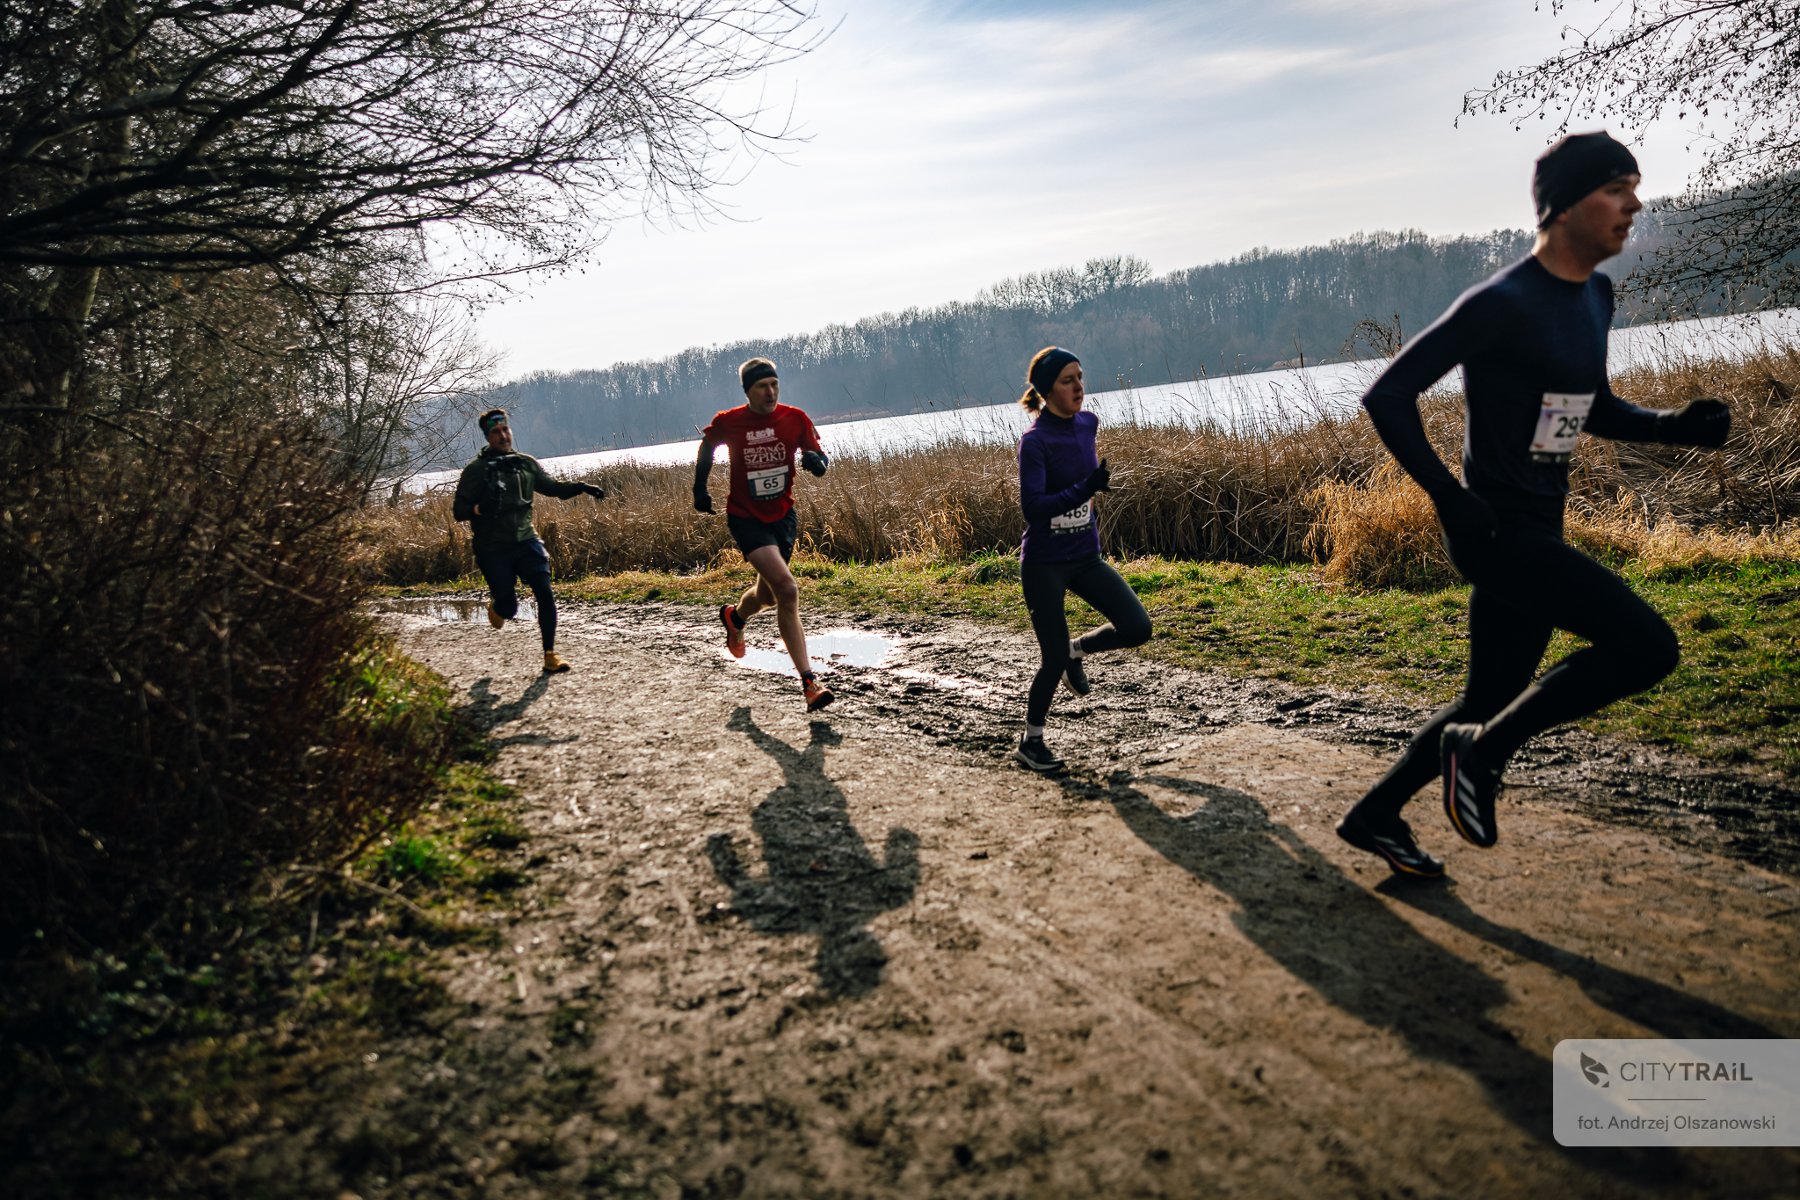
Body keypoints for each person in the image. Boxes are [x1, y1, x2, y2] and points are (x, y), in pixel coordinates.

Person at [1335, 132, 1732, 878]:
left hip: (1537, 524)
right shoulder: (1502, 302)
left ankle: (1376, 813)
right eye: (1617, 189)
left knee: (1490, 693)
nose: (1634, 205)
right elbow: (1387, 394)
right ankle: (1481, 755)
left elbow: (1591, 407)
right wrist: (1449, 499)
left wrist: (1674, 427)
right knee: (1648, 648)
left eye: (1634, 188)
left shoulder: (1595, 296)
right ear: (1565, 206)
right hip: (1493, 529)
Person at [1013, 346, 1153, 772]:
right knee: (1050, 659)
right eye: (1067, 380)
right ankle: (1031, 742)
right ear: (1045, 390)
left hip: (1085, 557)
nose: (1078, 387)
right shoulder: (1034, 443)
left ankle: (1078, 649)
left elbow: (1082, 486)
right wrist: (1086, 488)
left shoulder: (1088, 425)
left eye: (1080, 377)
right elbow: (1034, 508)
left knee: (1137, 627)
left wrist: (1090, 492)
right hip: (1044, 565)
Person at [694, 357, 834, 711]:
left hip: (783, 517)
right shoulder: (731, 421)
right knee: (787, 589)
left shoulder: (794, 418)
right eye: (762, 386)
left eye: (775, 384)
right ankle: (809, 683)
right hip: (746, 518)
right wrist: (700, 489)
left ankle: (736, 617)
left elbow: (817, 455)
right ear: (747, 391)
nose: (770, 392)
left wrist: (818, 462)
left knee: (769, 596)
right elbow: (707, 446)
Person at [451, 408, 606, 674]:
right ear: (487, 436)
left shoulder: (525, 463)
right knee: (509, 608)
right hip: (492, 547)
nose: (503, 435)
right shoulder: (476, 471)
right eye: (496, 432)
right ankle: (499, 607)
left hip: (526, 541)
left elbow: (552, 487)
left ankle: (550, 655)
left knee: (545, 592)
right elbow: (458, 511)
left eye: (505, 430)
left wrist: (581, 487)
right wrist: (479, 509)